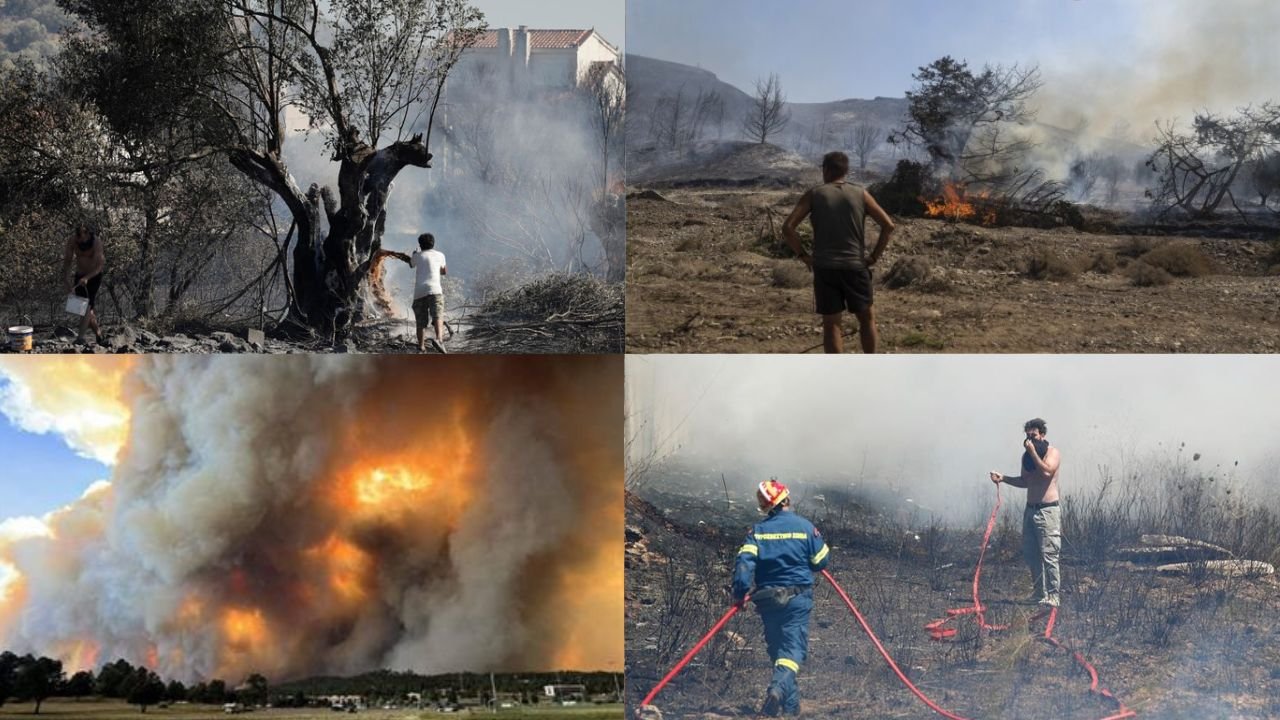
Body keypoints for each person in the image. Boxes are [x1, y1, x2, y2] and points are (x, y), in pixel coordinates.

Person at [732, 479, 830, 717]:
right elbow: (821, 562)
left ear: (765, 506)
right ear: (786, 499)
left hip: (767, 600)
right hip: (797, 598)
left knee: (779, 652)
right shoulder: (805, 527)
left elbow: (744, 564)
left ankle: (791, 707)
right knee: (793, 651)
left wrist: (740, 593)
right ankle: (776, 690)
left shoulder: (757, 532)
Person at [782, 151, 895, 354]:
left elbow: (788, 228)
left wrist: (804, 256)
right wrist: (874, 257)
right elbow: (888, 226)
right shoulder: (861, 194)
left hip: (825, 268)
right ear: (846, 171)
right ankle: (873, 365)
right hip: (855, 267)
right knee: (867, 319)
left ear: (825, 170)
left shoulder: (815, 194)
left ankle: (835, 372)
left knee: (832, 324)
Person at [989, 418, 1063, 607]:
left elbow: (1047, 472)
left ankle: (1053, 596)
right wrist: (1003, 478)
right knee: (1031, 554)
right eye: (1028, 436)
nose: (1030, 439)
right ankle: (1039, 593)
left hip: (1047, 511)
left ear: (1043, 435)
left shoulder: (1052, 453)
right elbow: (1025, 481)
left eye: (1034, 435)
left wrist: (1033, 452)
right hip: (1030, 510)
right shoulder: (1027, 458)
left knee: (1049, 554)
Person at [394, 233, 447, 353]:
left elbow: (411, 264)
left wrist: (414, 254)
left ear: (420, 245)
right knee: (438, 315)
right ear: (433, 243)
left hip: (419, 292)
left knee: (421, 322)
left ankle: (421, 347)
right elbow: (444, 271)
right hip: (435, 290)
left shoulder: (417, 256)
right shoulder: (440, 255)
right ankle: (439, 339)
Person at [61, 223, 105, 343]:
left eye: (84, 237)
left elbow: (99, 266)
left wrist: (87, 277)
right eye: (79, 237)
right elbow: (67, 262)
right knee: (85, 309)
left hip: (94, 276)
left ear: (89, 234)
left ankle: (80, 338)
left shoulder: (97, 243)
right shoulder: (72, 241)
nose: (82, 240)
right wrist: (67, 281)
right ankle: (99, 334)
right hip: (79, 276)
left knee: (86, 307)